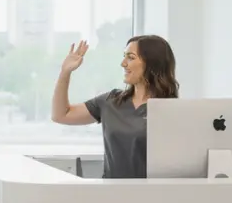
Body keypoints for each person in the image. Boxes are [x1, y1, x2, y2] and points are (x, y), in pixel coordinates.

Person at [50, 35, 179, 179]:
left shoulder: (171, 109)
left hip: (153, 194)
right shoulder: (111, 101)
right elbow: (61, 115)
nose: (123, 63)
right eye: (124, 57)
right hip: (111, 193)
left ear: (152, 63)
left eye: (130, 57)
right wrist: (65, 72)